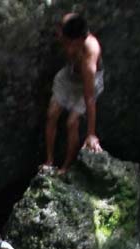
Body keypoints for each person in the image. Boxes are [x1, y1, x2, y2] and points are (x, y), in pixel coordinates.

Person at [42, 13, 104, 174]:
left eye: (69, 42)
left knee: (71, 123)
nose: (65, 44)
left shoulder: (89, 56)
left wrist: (91, 134)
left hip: (87, 83)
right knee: (52, 113)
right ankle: (49, 161)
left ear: (78, 40)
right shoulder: (68, 23)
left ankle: (65, 167)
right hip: (70, 74)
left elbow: (89, 98)